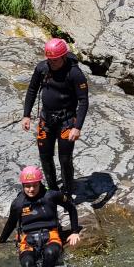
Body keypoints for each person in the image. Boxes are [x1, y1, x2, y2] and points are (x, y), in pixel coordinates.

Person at [0, 166, 82, 267]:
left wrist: (75, 232)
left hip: (51, 235)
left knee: (50, 255)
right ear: (23, 185)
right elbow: (11, 222)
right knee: (27, 266)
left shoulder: (51, 195)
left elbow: (71, 208)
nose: (31, 189)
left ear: (40, 183)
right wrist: (0, 241)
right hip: (27, 238)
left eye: (34, 185)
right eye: (27, 186)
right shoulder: (18, 203)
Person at [22, 38, 90, 197]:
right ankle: (52, 190)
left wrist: (77, 127)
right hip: (46, 120)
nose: (52, 62)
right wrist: (26, 115)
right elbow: (32, 90)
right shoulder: (42, 68)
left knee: (65, 159)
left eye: (55, 60)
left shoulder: (74, 73)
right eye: (49, 59)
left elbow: (83, 100)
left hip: (66, 122)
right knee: (45, 156)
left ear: (63, 57)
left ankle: (68, 191)